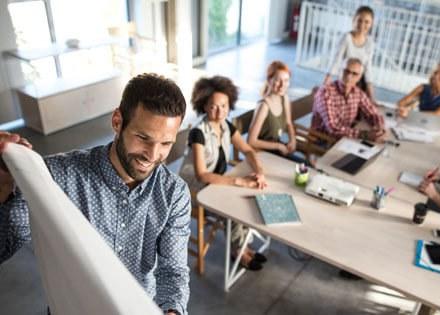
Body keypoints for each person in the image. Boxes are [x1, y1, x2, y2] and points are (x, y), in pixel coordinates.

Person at [0, 73, 190, 315]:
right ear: (117, 121)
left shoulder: (174, 194)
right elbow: (4, 244)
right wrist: (3, 191)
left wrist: (172, 310)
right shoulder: (58, 176)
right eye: (143, 138)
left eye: (166, 143)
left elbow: (173, 273)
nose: (152, 155)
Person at [179, 76, 268, 271]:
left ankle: (243, 245)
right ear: (204, 106)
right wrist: (239, 181)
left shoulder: (227, 125)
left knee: (247, 197)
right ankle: (239, 251)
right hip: (195, 191)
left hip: (215, 183)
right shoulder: (198, 133)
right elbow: (202, 174)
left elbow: (248, 150)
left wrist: (259, 171)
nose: (220, 112)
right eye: (213, 106)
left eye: (224, 106)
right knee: (235, 206)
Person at [312, 57, 385, 142]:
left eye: (354, 74)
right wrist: (364, 135)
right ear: (340, 71)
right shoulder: (325, 93)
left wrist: (380, 126)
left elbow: (372, 112)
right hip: (323, 140)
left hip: (345, 137)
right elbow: (333, 128)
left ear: (359, 78)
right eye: (346, 71)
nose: (349, 76)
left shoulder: (358, 92)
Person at [248, 61, 303, 163]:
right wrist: (278, 146)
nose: (282, 85)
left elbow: (288, 123)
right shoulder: (263, 106)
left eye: (286, 80)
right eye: (278, 80)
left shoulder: (284, 98)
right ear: (269, 80)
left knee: (305, 166)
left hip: (276, 149)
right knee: (303, 167)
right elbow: (251, 141)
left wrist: (292, 139)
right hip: (262, 154)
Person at [324, 6, 376, 100]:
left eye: (367, 22)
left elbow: (368, 68)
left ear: (371, 24)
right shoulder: (346, 38)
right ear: (354, 20)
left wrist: (371, 96)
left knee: (367, 106)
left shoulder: (370, 43)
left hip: (360, 81)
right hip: (345, 79)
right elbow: (336, 59)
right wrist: (327, 80)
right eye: (359, 20)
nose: (362, 24)